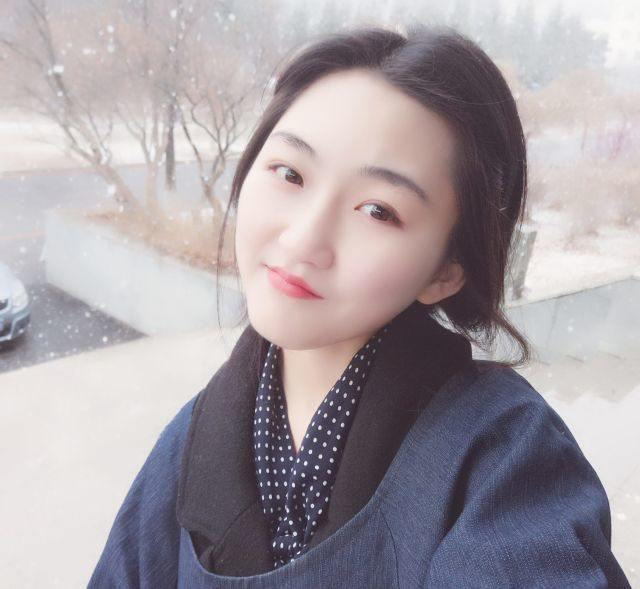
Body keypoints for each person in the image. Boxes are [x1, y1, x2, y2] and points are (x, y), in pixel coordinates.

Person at [89, 24, 631, 588]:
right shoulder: (194, 437)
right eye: (291, 173)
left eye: (378, 211)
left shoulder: (504, 457)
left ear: (445, 270)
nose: (303, 240)